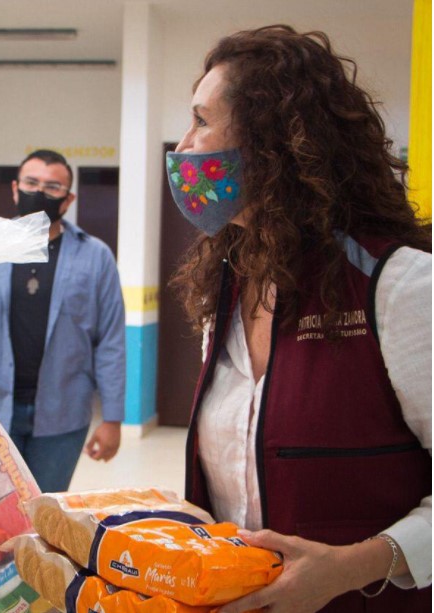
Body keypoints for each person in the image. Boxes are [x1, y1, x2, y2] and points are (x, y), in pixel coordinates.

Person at [165, 25, 431, 613]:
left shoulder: (399, 286)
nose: (183, 147)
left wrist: (353, 567)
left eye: (201, 121)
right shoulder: (228, 287)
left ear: (273, 141)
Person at [0, 149, 126, 493]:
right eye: (31, 182)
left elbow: (110, 341)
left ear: (68, 199)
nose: (40, 192)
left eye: (53, 187)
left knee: (44, 512)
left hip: (63, 417)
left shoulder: (95, 257)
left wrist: (112, 419)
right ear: (15, 189)